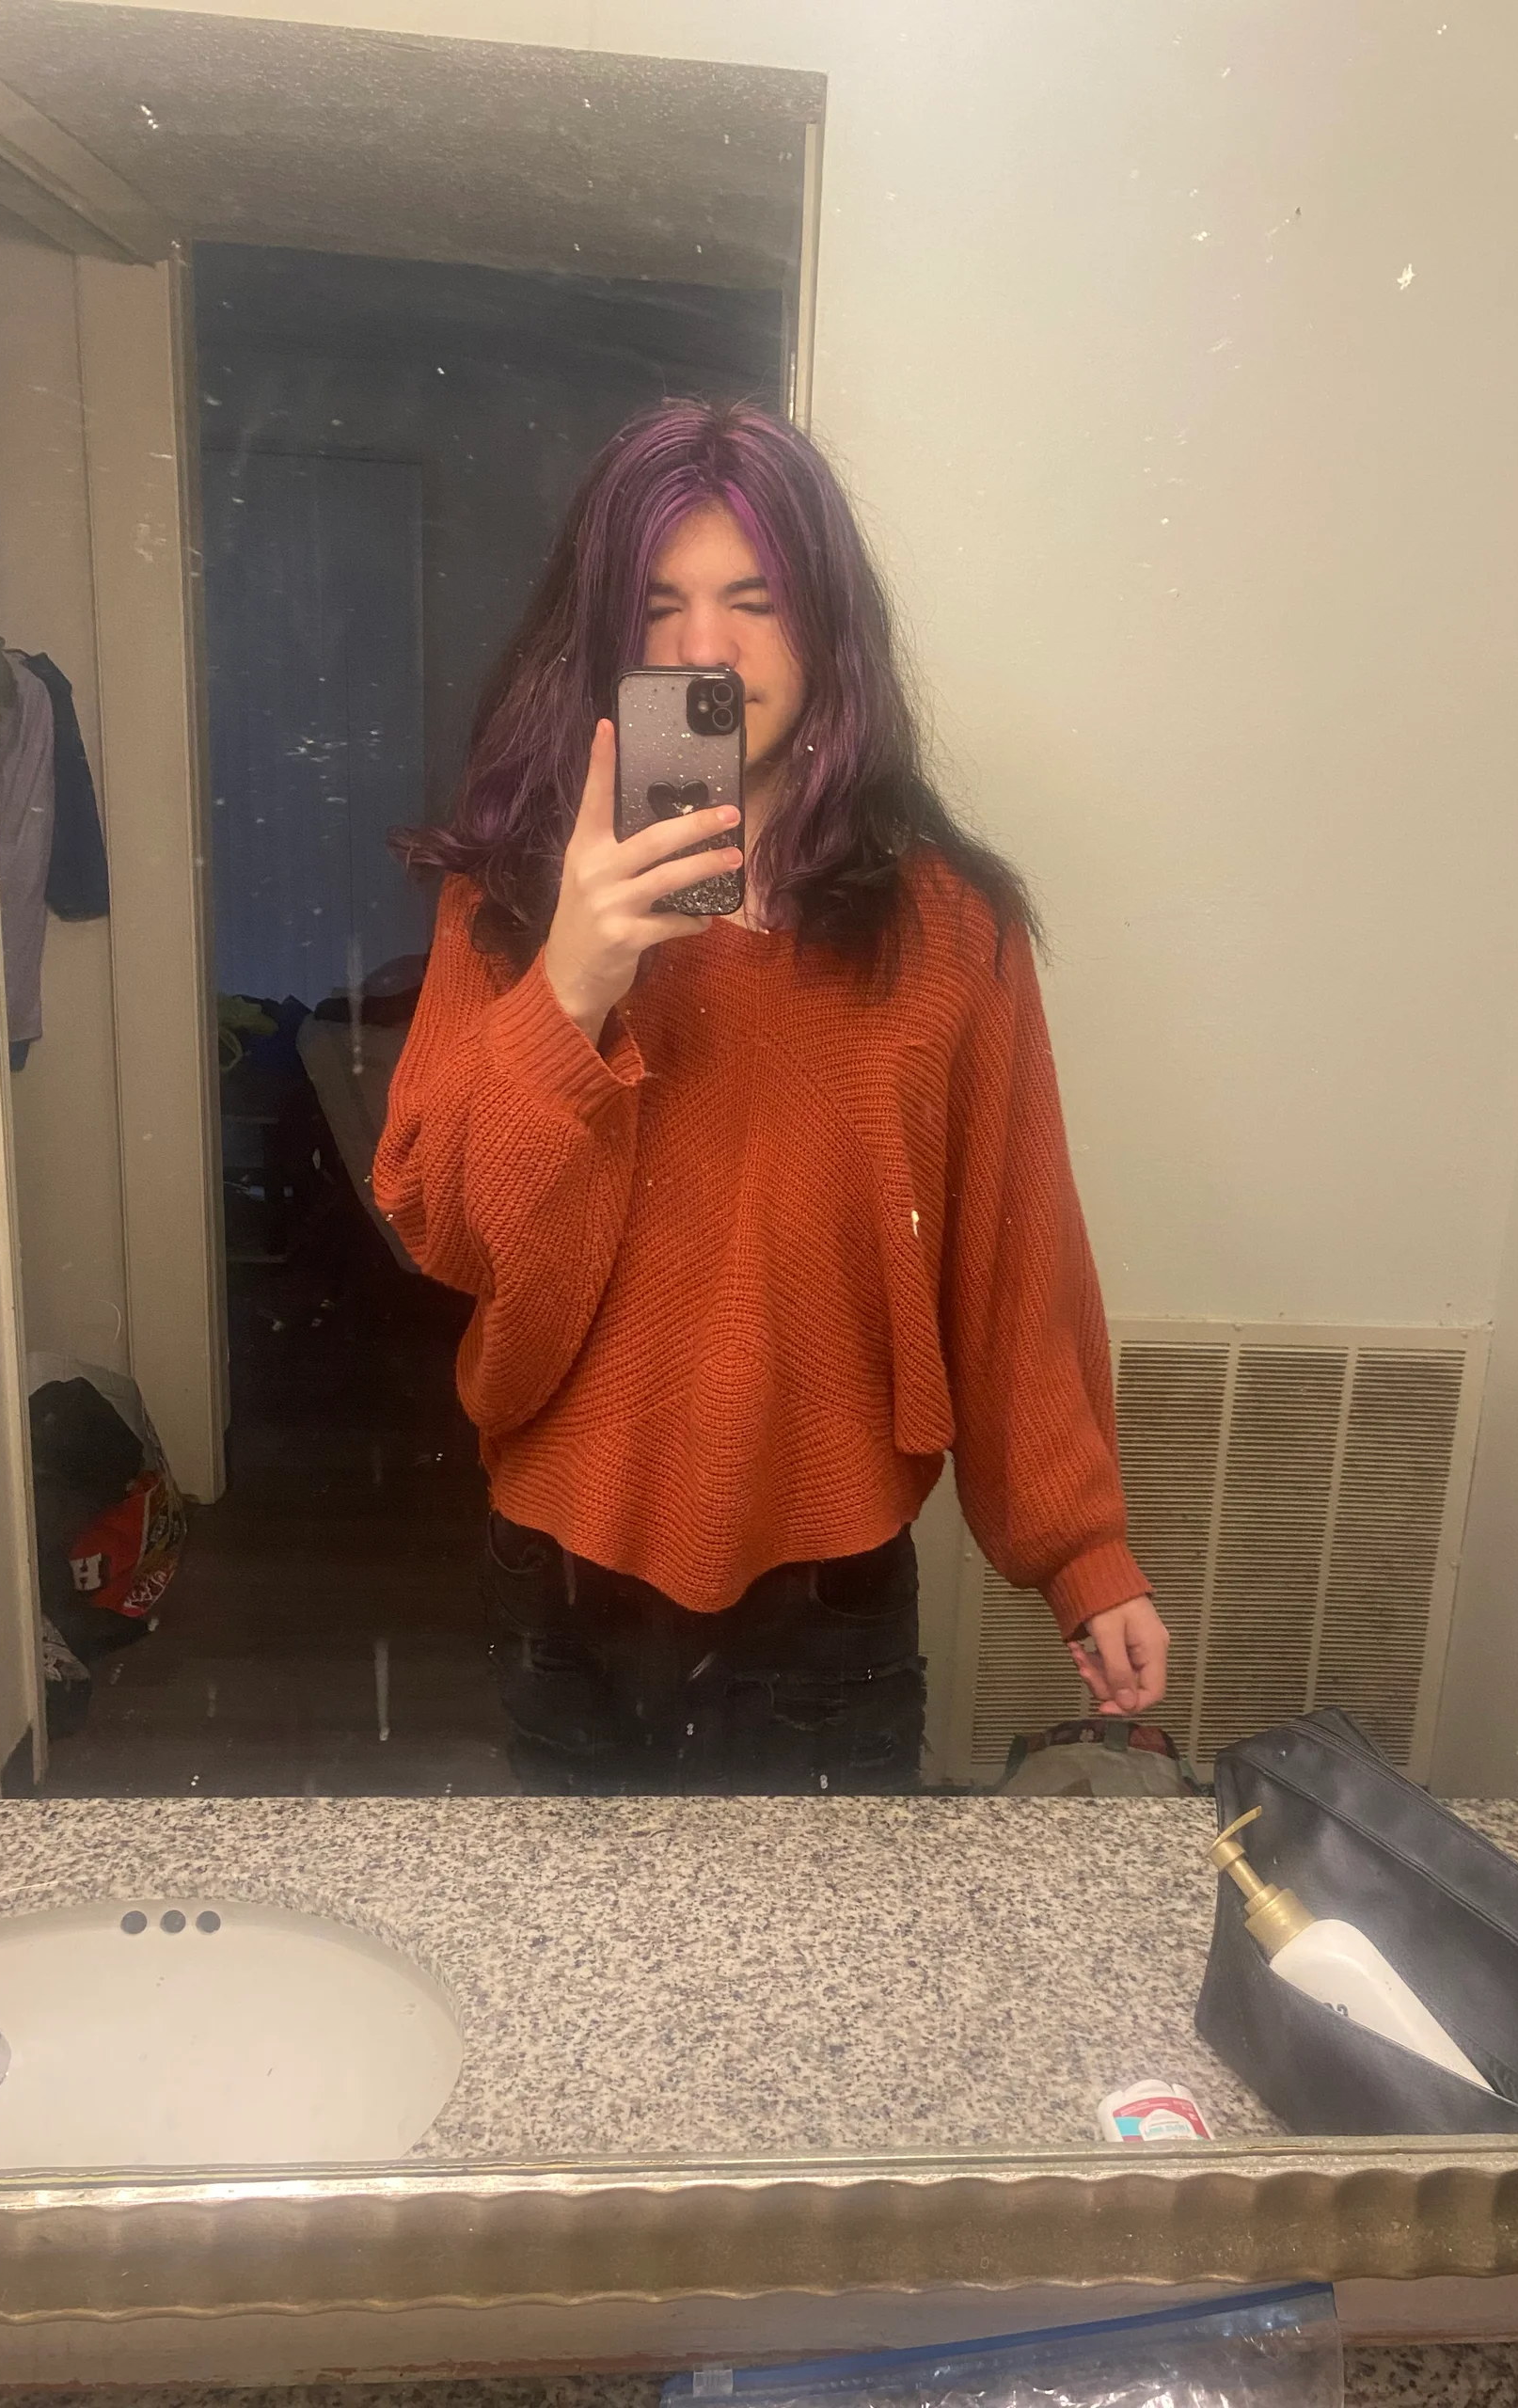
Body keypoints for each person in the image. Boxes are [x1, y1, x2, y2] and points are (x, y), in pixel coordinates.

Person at [374, 399, 1169, 1795]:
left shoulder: (949, 929)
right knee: (589, 1939)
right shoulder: (511, 905)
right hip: (564, 1580)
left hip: (832, 1605)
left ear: (829, 630)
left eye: (755, 602)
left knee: (830, 1947)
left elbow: (1014, 1257)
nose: (705, 650)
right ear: (604, 639)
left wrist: (1081, 1548)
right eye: (659, 606)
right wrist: (571, 985)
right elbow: (443, 1224)